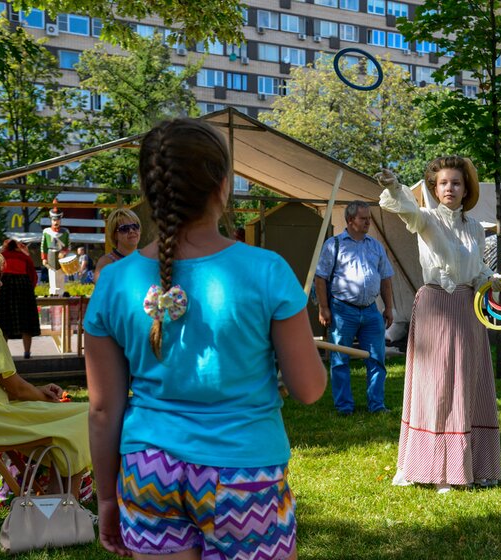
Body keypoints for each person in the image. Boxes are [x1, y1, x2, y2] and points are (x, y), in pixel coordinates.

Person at [84, 118, 327, 559]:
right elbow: (309, 389)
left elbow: (102, 409)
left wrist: (105, 499)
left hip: (148, 473)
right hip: (244, 472)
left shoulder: (114, 281)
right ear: (222, 186)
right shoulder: (267, 270)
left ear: (150, 192)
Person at [377, 158, 501, 493]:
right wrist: (393, 185)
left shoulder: (475, 228)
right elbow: (406, 209)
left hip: (468, 308)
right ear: (434, 188)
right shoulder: (426, 218)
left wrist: (491, 279)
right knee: (436, 384)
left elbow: (477, 269)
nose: (449, 188)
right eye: (443, 183)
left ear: (466, 188)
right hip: (435, 305)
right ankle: (434, 469)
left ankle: (473, 466)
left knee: (469, 382)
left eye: (456, 183)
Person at [0, 246, 91, 498]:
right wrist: (46, 397)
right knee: (89, 416)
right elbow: (16, 388)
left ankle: (57, 505)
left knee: (73, 423)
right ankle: (64, 507)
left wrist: (39, 392)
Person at [314, 200, 394, 415]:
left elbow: (386, 279)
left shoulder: (375, 245)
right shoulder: (334, 244)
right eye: (363, 218)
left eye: (369, 218)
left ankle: (377, 405)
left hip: (371, 310)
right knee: (340, 359)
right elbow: (320, 278)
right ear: (350, 220)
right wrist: (323, 307)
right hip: (342, 310)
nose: (368, 222)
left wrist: (389, 307)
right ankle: (344, 406)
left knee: (377, 358)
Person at [0, 239, 40, 359]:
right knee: (26, 321)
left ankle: (3, 354)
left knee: (3, 321)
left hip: (4, 287)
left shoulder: (0, 257)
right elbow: (33, 276)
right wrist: (30, 289)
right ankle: (27, 352)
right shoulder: (24, 257)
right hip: (23, 288)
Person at [94, 208, 141, 284]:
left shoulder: (148, 257)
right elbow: (102, 289)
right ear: (115, 235)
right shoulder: (106, 262)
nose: (131, 231)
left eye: (135, 226)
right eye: (124, 228)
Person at [40, 202, 70, 296]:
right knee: (52, 278)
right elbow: (43, 246)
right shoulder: (46, 231)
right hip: (51, 257)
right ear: (51, 220)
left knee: (61, 279)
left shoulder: (65, 232)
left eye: (58, 220)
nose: (56, 222)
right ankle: (53, 296)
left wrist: (64, 252)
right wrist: (44, 258)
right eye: (54, 220)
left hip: (61, 258)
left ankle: (61, 296)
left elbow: (68, 246)